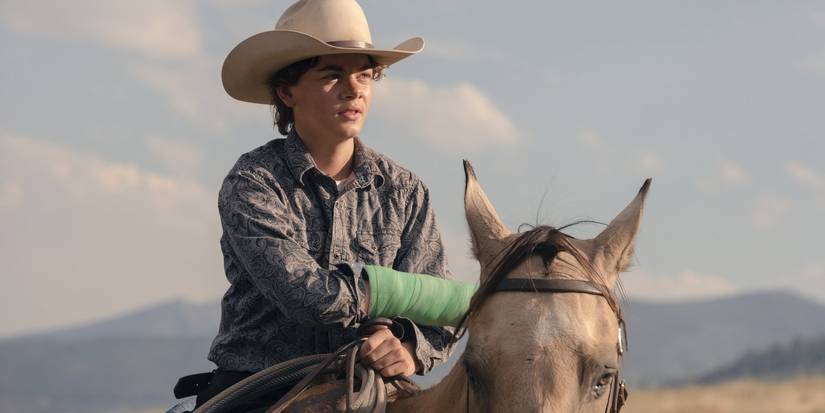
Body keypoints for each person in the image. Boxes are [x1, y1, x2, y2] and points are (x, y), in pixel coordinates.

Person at [180, 1, 476, 411]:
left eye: (365, 75)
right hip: (261, 389)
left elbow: (440, 314)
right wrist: (388, 291)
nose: (353, 88)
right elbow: (307, 298)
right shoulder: (254, 181)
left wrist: (408, 345)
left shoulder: (406, 191)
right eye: (332, 75)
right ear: (287, 92)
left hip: (376, 390)